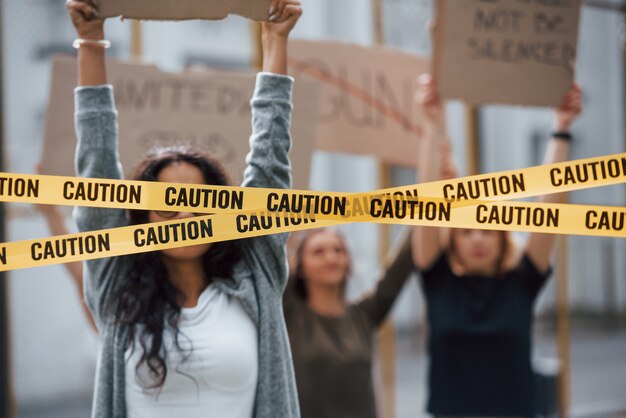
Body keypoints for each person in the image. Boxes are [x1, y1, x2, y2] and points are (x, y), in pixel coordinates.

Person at [66, 0, 303, 417]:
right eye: (167, 205)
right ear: (140, 217)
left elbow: (270, 161)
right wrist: (90, 42)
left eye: (199, 204)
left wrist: (274, 43)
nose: (185, 218)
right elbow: (96, 170)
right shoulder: (118, 286)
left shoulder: (255, 275)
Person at [411, 74, 582, 417]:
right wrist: (433, 126)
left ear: (503, 237)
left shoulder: (521, 282)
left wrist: (560, 129)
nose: (476, 238)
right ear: (452, 239)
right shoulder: (437, 279)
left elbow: (550, 209)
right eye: (467, 231)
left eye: (487, 230)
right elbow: (425, 203)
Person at [284, 228, 414, 418]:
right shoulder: (290, 315)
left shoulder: (364, 315)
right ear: (300, 267)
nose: (331, 258)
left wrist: (429, 207)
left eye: (339, 250)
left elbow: (401, 265)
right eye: (318, 252)